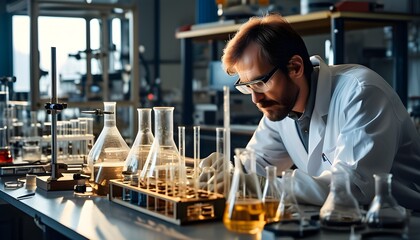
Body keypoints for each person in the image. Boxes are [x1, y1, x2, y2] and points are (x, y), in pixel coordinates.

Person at [220, 13, 420, 211]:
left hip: (403, 220)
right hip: (343, 220)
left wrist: (259, 186)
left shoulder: (361, 93)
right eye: (248, 87)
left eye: (261, 83)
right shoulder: (280, 108)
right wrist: (222, 174)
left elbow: (351, 187)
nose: (255, 98)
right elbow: (256, 165)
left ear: (295, 67)